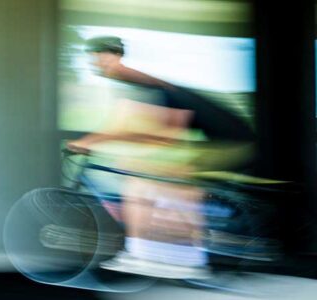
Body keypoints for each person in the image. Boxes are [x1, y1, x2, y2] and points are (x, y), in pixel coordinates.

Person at [67, 36, 255, 279]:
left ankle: (185, 259)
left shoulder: (141, 83)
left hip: (232, 143)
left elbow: (162, 134)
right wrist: (94, 142)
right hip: (218, 139)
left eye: (99, 59)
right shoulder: (131, 85)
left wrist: (91, 142)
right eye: (93, 61)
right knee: (146, 177)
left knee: (161, 181)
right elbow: (125, 128)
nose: (96, 65)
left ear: (114, 56)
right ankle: (155, 253)